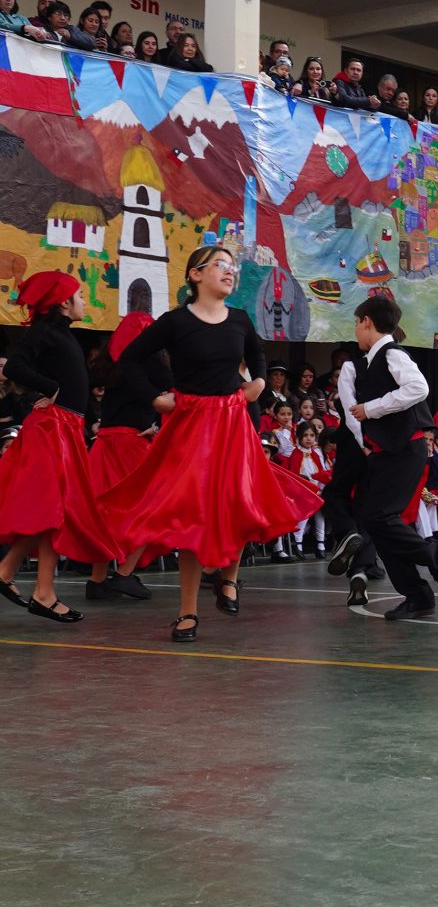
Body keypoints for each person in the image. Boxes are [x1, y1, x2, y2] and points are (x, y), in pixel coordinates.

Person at [98, 245, 320, 642]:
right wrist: (154, 397)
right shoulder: (175, 322)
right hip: (190, 426)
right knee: (191, 515)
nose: (230, 271)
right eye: (220, 265)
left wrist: (257, 382)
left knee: (239, 501)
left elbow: (258, 355)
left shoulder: (239, 320)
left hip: (234, 421)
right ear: (195, 275)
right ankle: (186, 613)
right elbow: (128, 360)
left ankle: (229, 578)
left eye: (232, 266)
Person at [0, 273, 121, 623]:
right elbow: (17, 364)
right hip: (53, 428)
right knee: (56, 511)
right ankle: (43, 592)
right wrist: (47, 387)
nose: (84, 301)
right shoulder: (44, 330)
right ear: (64, 302)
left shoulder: (62, 334)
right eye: (80, 295)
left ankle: (9, 573)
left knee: (52, 511)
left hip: (66, 428)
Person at [333, 295, 438, 622]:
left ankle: (433, 555)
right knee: (376, 520)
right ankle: (417, 594)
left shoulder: (392, 354)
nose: (356, 331)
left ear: (367, 323)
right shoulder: (373, 360)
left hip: (406, 449)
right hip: (388, 452)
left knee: (380, 518)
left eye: (357, 324)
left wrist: (371, 408)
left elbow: (418, 388)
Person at [85, 311, 168, 603]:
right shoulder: (149, 362)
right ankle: (123, 574)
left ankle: (96, 581)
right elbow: (173, 394)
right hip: (133, 444)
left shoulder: (111, 364)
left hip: (105, 444)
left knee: (105, 513)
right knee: (151, 509)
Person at [286, 423, 330, 555]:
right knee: (305, 513)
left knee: (320, 514)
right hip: (301, 494)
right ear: (299, 437)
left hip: (316, 492)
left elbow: (322, 474)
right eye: (305, 435)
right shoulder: (296, 454)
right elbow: (293, 475)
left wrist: (321, 490)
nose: (309, 438)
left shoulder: (316, 455)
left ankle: (321, 543)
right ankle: (298, 543)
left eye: (312, 435)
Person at [30, 0, 95, 50]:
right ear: (49, 17)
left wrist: (70, 36)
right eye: (58, 14)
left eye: (66, 15)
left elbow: (91, 43)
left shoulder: (73, 30)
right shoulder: (42, 30)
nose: (62, 18)